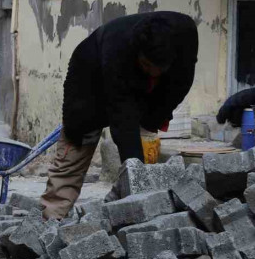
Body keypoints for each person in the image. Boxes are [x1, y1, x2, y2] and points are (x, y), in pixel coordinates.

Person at [40, 12, 198, 220]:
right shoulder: (118, 48)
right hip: (89, 74)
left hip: (142, 85)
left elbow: (181, 83)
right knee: (78, 138)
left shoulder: (184, 34)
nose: (151, 71)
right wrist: (134, 172)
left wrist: (152, 119)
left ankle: (128, 210)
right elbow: (123, 119)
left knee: (145, 138)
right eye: (146, 66)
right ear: (138, 54)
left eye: (156, 68)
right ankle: (51, 217)